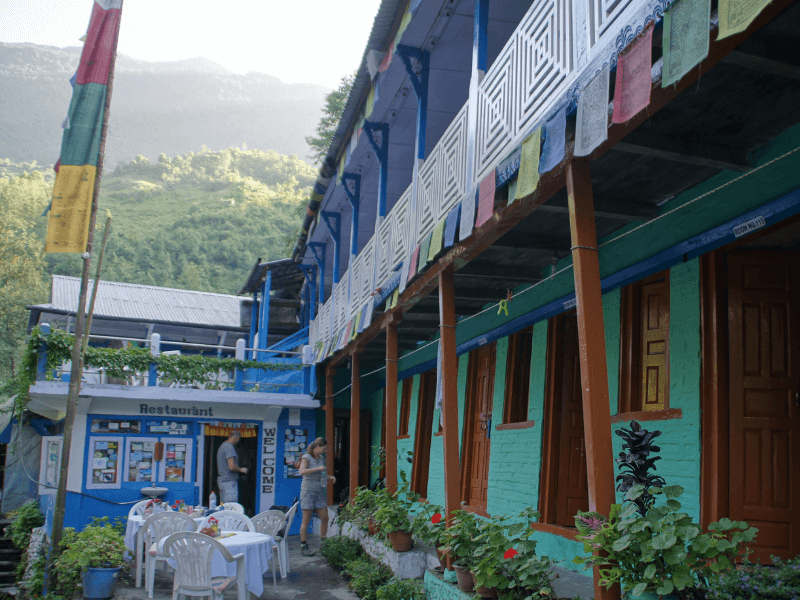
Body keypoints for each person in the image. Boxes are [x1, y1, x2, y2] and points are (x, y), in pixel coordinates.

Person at [298, 437, 335, 556]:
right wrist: (317, 468)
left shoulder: (321, 458)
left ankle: (323, 543)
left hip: (319, 491)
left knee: (325, 517)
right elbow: (302, 472)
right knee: (306, 519)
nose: (324, 451)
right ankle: (304, 545)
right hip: (308, 491)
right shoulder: (306, 457)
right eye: (323, 448)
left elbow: (321, 474)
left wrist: (329, 477)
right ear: (317, 446)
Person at [216, 430, 247, 504]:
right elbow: (231, 466)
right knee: (231, 507)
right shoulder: (229, 447)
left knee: (223, 507)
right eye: (238, 439)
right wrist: (241, 470)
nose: (238, 441)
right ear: (236, 438)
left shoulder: (222, 446)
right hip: (229, 482)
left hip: (222, 481)